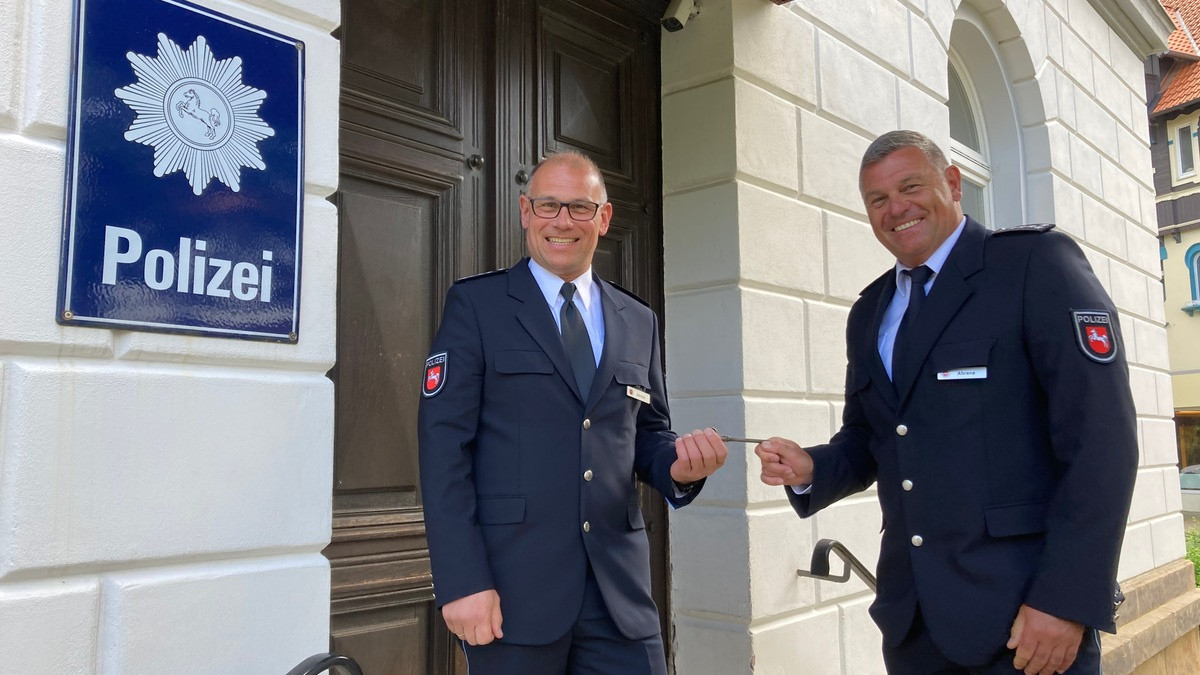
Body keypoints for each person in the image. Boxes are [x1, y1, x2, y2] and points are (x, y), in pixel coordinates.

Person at [756, 130, 1137, 675]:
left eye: (910, 187)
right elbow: (872, 439)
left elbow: (1102, 444)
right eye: (878, 200)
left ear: (953, 183)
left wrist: (1067, 599)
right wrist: (812, 467)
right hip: (914, 622)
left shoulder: (1032, 266)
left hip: (1026, 619)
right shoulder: (871, 312)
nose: (896, 209)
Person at [418, 150, 728, 675]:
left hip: (620, 601)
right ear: (525, 212)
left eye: (580, 208)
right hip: (511, 596)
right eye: (548, 206)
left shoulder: (638, 319)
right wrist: (462, 580)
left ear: (603, 219)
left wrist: (678, 466)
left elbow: (647, 434)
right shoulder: (479, 307)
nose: (562, 221)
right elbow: (443, 448)